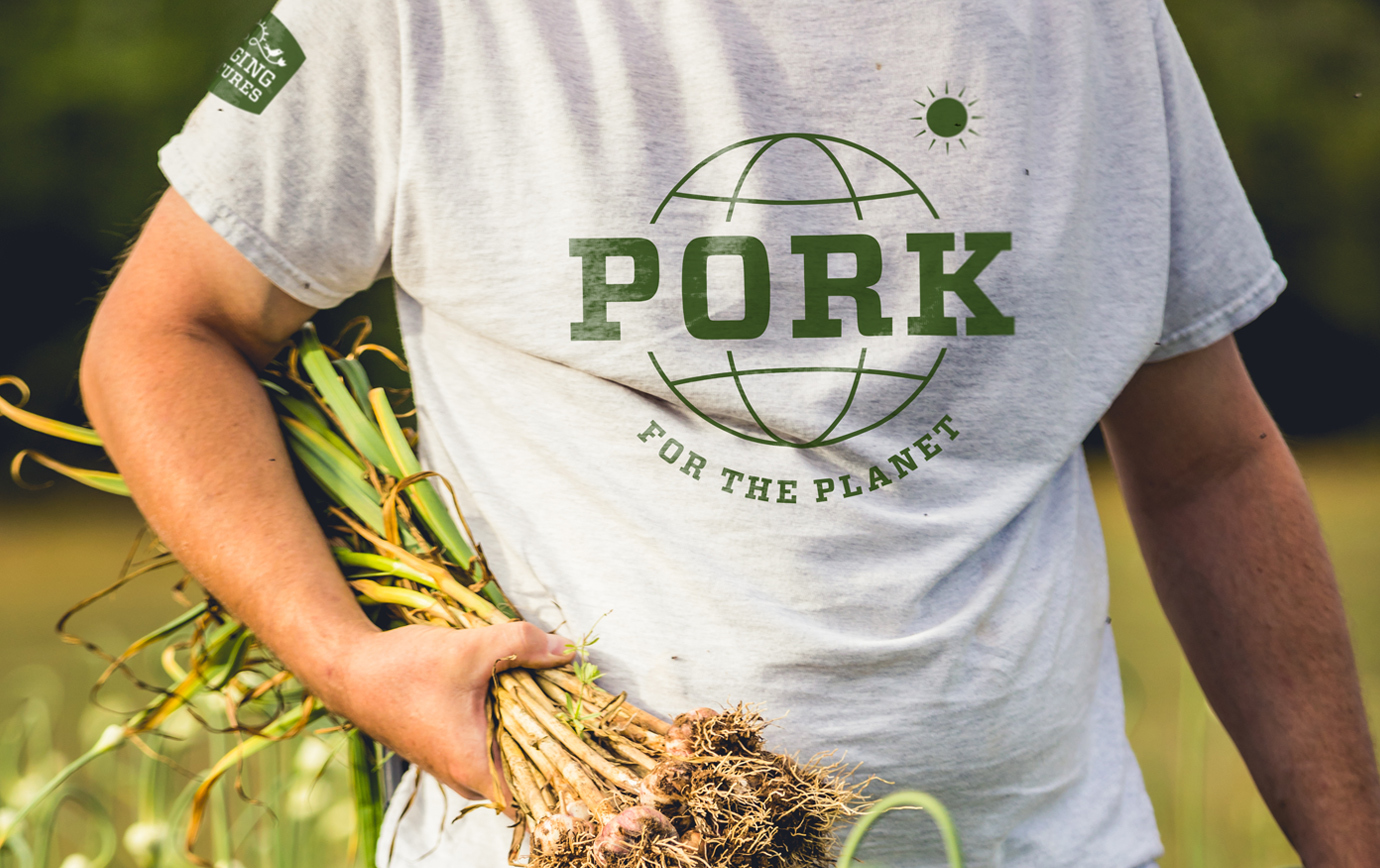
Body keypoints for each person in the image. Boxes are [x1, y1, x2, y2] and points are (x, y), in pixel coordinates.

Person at [79, 0, 1380, 865]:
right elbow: (163, 333)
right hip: (583, 842)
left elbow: (1209, 460)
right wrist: (352, 662)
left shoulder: (1094, 24)